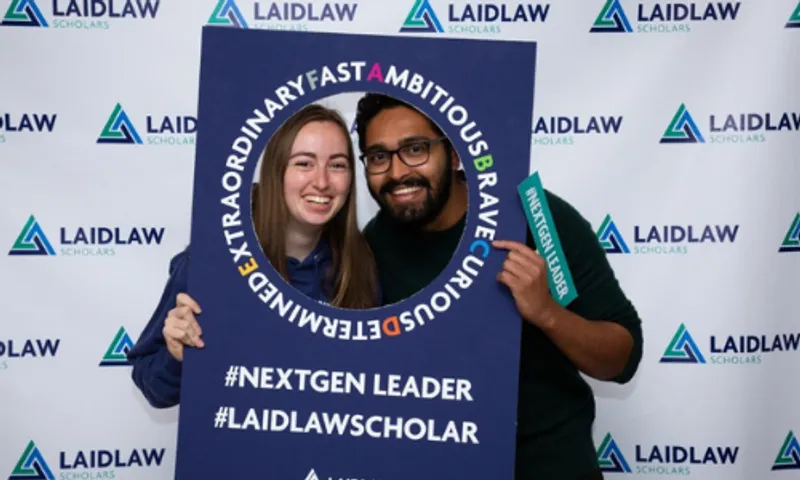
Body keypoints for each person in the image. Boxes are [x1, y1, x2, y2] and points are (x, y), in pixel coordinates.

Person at [353, 93, 643, 480]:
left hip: (548, 467)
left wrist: (548, 314)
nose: (396, 172)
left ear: (455, 154)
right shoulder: (372, 247)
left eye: (416, 149)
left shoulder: (536, 219)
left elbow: (622, 360)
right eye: (378, 157)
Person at [127, 103, 380, 409]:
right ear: (276, 170)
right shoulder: (215, 257)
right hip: (238, 451)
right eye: (303, 163)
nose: (322, 181)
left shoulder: (360, 262)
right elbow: (154, 390)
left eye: (337, 165)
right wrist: (176, 352)